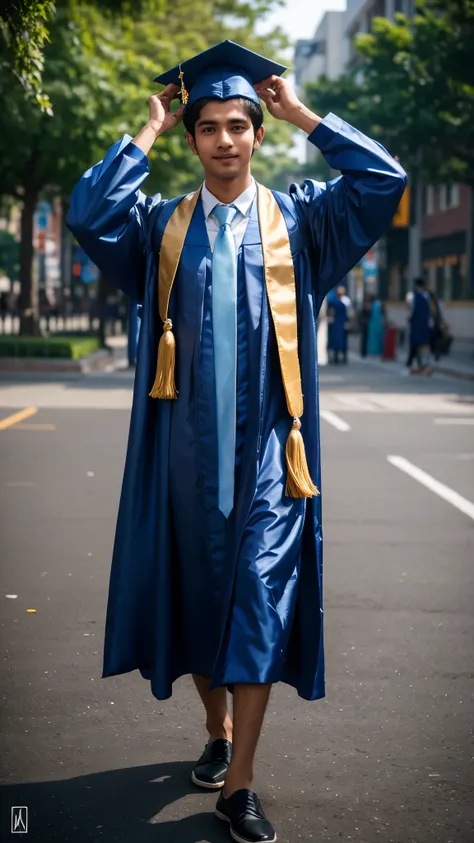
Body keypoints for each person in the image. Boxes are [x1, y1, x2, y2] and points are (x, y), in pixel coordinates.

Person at [66, 41, 407, 843]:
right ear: (193, 140)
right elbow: (86, 214)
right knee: (195, 601)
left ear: (257, 134)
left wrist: (305, 115)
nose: (224, 140)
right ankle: (215, 730)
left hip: (269, 464)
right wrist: (144, 132)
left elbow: (384, 181)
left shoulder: (304, 221)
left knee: (255, 604)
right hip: (184, 461)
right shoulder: (160, 231)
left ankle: (241, 784)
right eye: (208, 127)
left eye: (239, 126)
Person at [406, 277, 432, 374]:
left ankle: (417, 366)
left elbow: (409, 310)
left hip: (415, 325)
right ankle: (426, 366)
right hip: (425, 325)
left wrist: (408, 319)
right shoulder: (427, 296)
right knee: (424, 346)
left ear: (415, 285)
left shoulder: (411, 296)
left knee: (415, 345)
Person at [327, 285, 350, 363]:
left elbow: (349, 312)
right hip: (338, 322)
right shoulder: (335, 301)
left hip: (341, 322)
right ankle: (337, 357)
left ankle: (343, 358)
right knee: (337, 340)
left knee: (342, 340)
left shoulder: (345, 301)